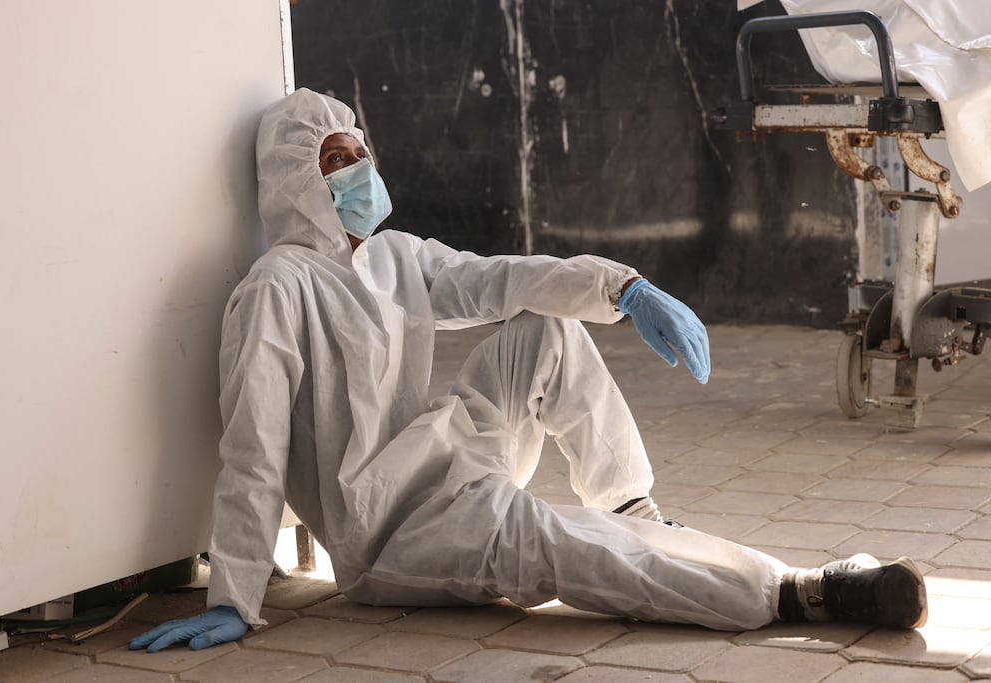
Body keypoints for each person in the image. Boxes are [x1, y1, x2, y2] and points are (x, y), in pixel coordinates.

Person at [129, 88, 926, 653]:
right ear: (299, 179)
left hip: (442, 458)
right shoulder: (278, 288)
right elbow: (253, 445)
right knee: (553, 537)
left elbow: (501, 278)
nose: (360, 169)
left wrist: (623, 286)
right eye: (337, 158)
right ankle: (790, 590)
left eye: (360, 149)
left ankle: (635, 507)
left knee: (544, 328)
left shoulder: (396, 258)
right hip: (388, 532)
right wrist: (234, 592)